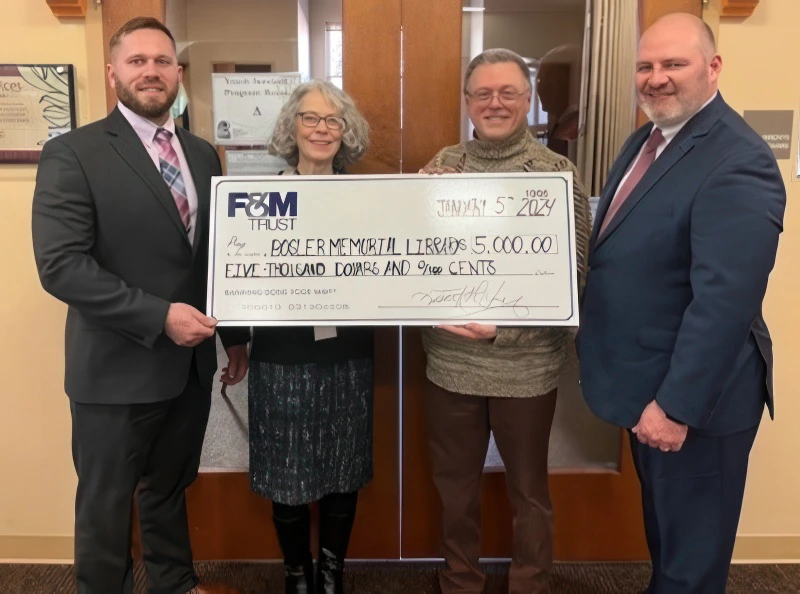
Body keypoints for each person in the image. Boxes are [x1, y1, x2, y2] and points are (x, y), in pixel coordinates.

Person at [31, 17, 247, 594]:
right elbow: (61, 266)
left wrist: (239, 338)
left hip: (189, 367)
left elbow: (214, 259)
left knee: (169, 487)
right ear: (113, 73)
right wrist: (160, 318)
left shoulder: (204, 156)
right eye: (136, 61)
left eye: (161, 61)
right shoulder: (72, 153)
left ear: (178, 73)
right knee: (105, 502)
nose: (151, 71)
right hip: (116, 369)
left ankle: (174, 582)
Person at [577, 13, 785, 594]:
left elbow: (725, 302)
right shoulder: (646, 139)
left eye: (674, 64)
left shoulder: (737, 159)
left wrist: (675, 407)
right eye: (645, 66)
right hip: (650, 389)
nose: (656, 78)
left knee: (691, 568)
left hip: (695, 406)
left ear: (713, 67)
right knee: (670, 547)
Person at [420, 48, 592, 594]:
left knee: (529, 492)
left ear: (526, 100)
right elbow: (415, 266)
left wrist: (507, 329)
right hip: (450, 366)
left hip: (527, 367)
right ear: (468, 103)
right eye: (483, 94)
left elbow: (575, 278)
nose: (495, 103)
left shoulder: (556, 174)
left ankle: (531, 585)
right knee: (455, 490)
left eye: (508, 93)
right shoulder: (442, 166)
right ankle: (460, 584)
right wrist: (413, 205)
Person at [222, 79, 372, 594]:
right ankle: (297, 574)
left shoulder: (369, 198)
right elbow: (233, 271)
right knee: (285, 471)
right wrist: (235, 342)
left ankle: (332, 574)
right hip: (280, 356)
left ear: (346, 131)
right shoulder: (259, 199)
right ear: (292, 127)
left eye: (334, 120)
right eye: (311, 118)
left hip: (348, 355)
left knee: (343, 468)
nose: (322, 129)